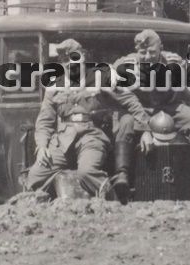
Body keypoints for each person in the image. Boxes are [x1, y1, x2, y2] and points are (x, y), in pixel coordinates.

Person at [26, 39, 153, 199]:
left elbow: (130, 100)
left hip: (91, 137)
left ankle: (114, 202)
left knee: (87, 173)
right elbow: (45, 120)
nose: (69, 63)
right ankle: (54, 208)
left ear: (83, 57)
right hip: (62, 141)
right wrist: (42, 146)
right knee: (35, 176)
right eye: (64, 60)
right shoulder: (54, 85)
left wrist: (146, 128)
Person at [113, 29, 190, 197]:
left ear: (161, 47)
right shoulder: (125, 66)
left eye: (152, 52)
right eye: (142, 52)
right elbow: (128, 101)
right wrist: (146, 127)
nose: (147, 56)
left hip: (168, 106)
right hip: (139, 109)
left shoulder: (173, 62)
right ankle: (122, 173)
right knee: (125, 122)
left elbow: (186, 90)